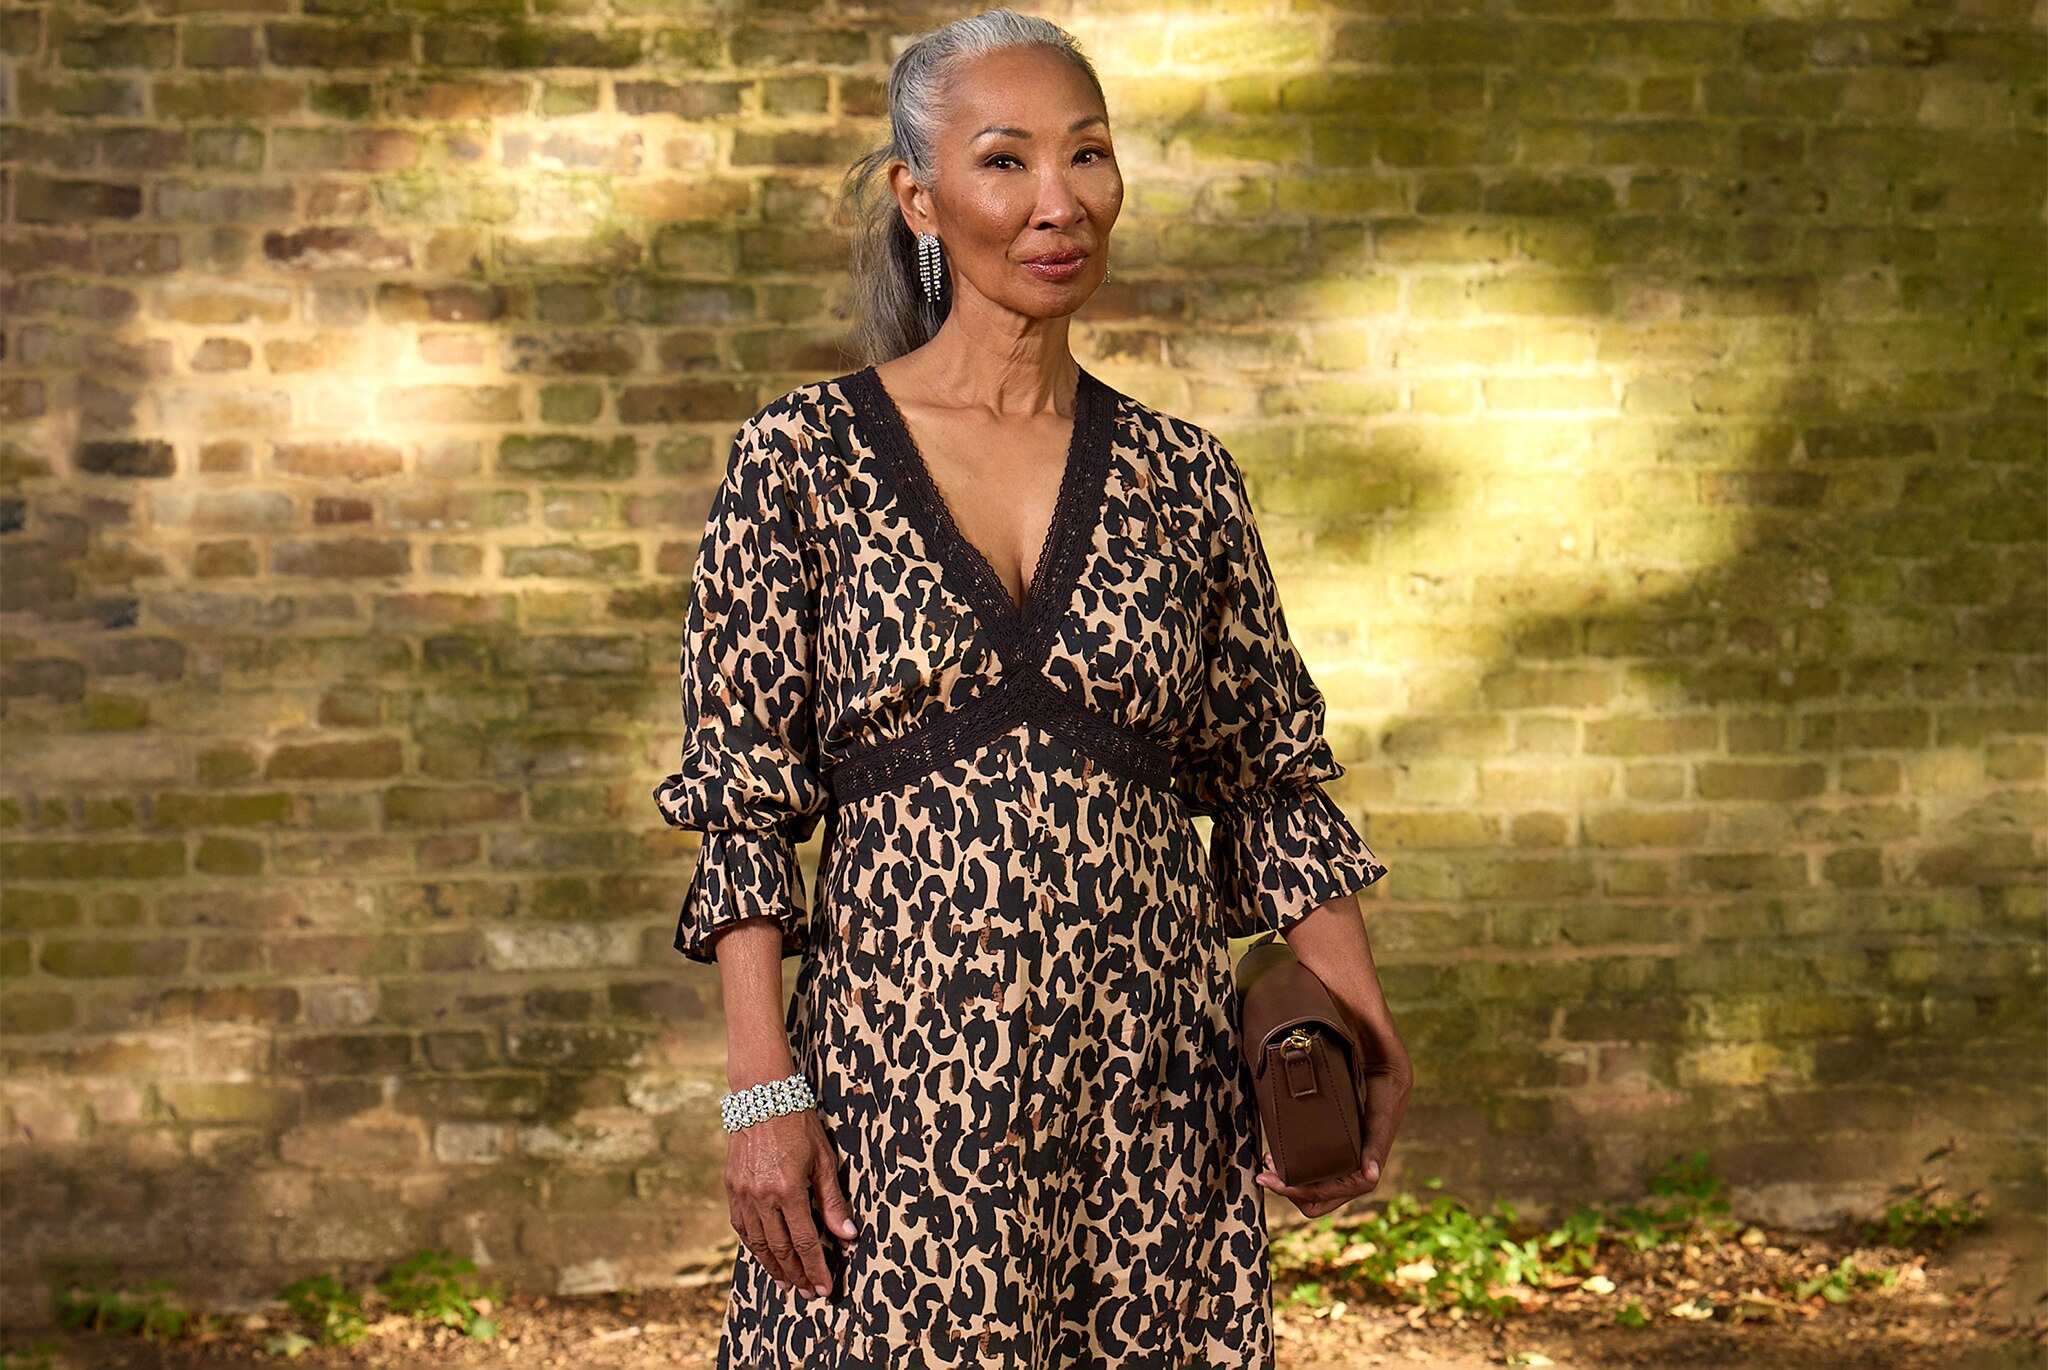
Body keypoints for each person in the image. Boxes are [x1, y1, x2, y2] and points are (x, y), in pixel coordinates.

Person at [651, 9, 1413, 1366]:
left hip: (1148, 1094)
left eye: (1090, 156)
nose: (1059, 203)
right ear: (919, 197)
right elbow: (745, 808)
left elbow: (1270, 781)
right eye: (1005, 162)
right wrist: (761, 1091)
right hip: (900, 1096)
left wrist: (1358, 1021)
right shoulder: (802, 459)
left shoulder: (1187, 479)